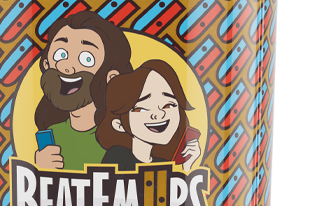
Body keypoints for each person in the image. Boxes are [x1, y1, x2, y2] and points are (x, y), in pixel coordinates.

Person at [32, 12, 133, 171]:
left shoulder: (125, 137)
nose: (67, 67)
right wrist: (40, 168)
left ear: (111, 77)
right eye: (61, 55)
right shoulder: (52, 136)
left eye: (87, 59)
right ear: (46, 65)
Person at [96, 60, 202, 170]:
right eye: (142, 109)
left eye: (168, 105)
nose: (159, 114)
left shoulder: (162, 163)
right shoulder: (118, 156)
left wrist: (187, 166)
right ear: (119, 125)